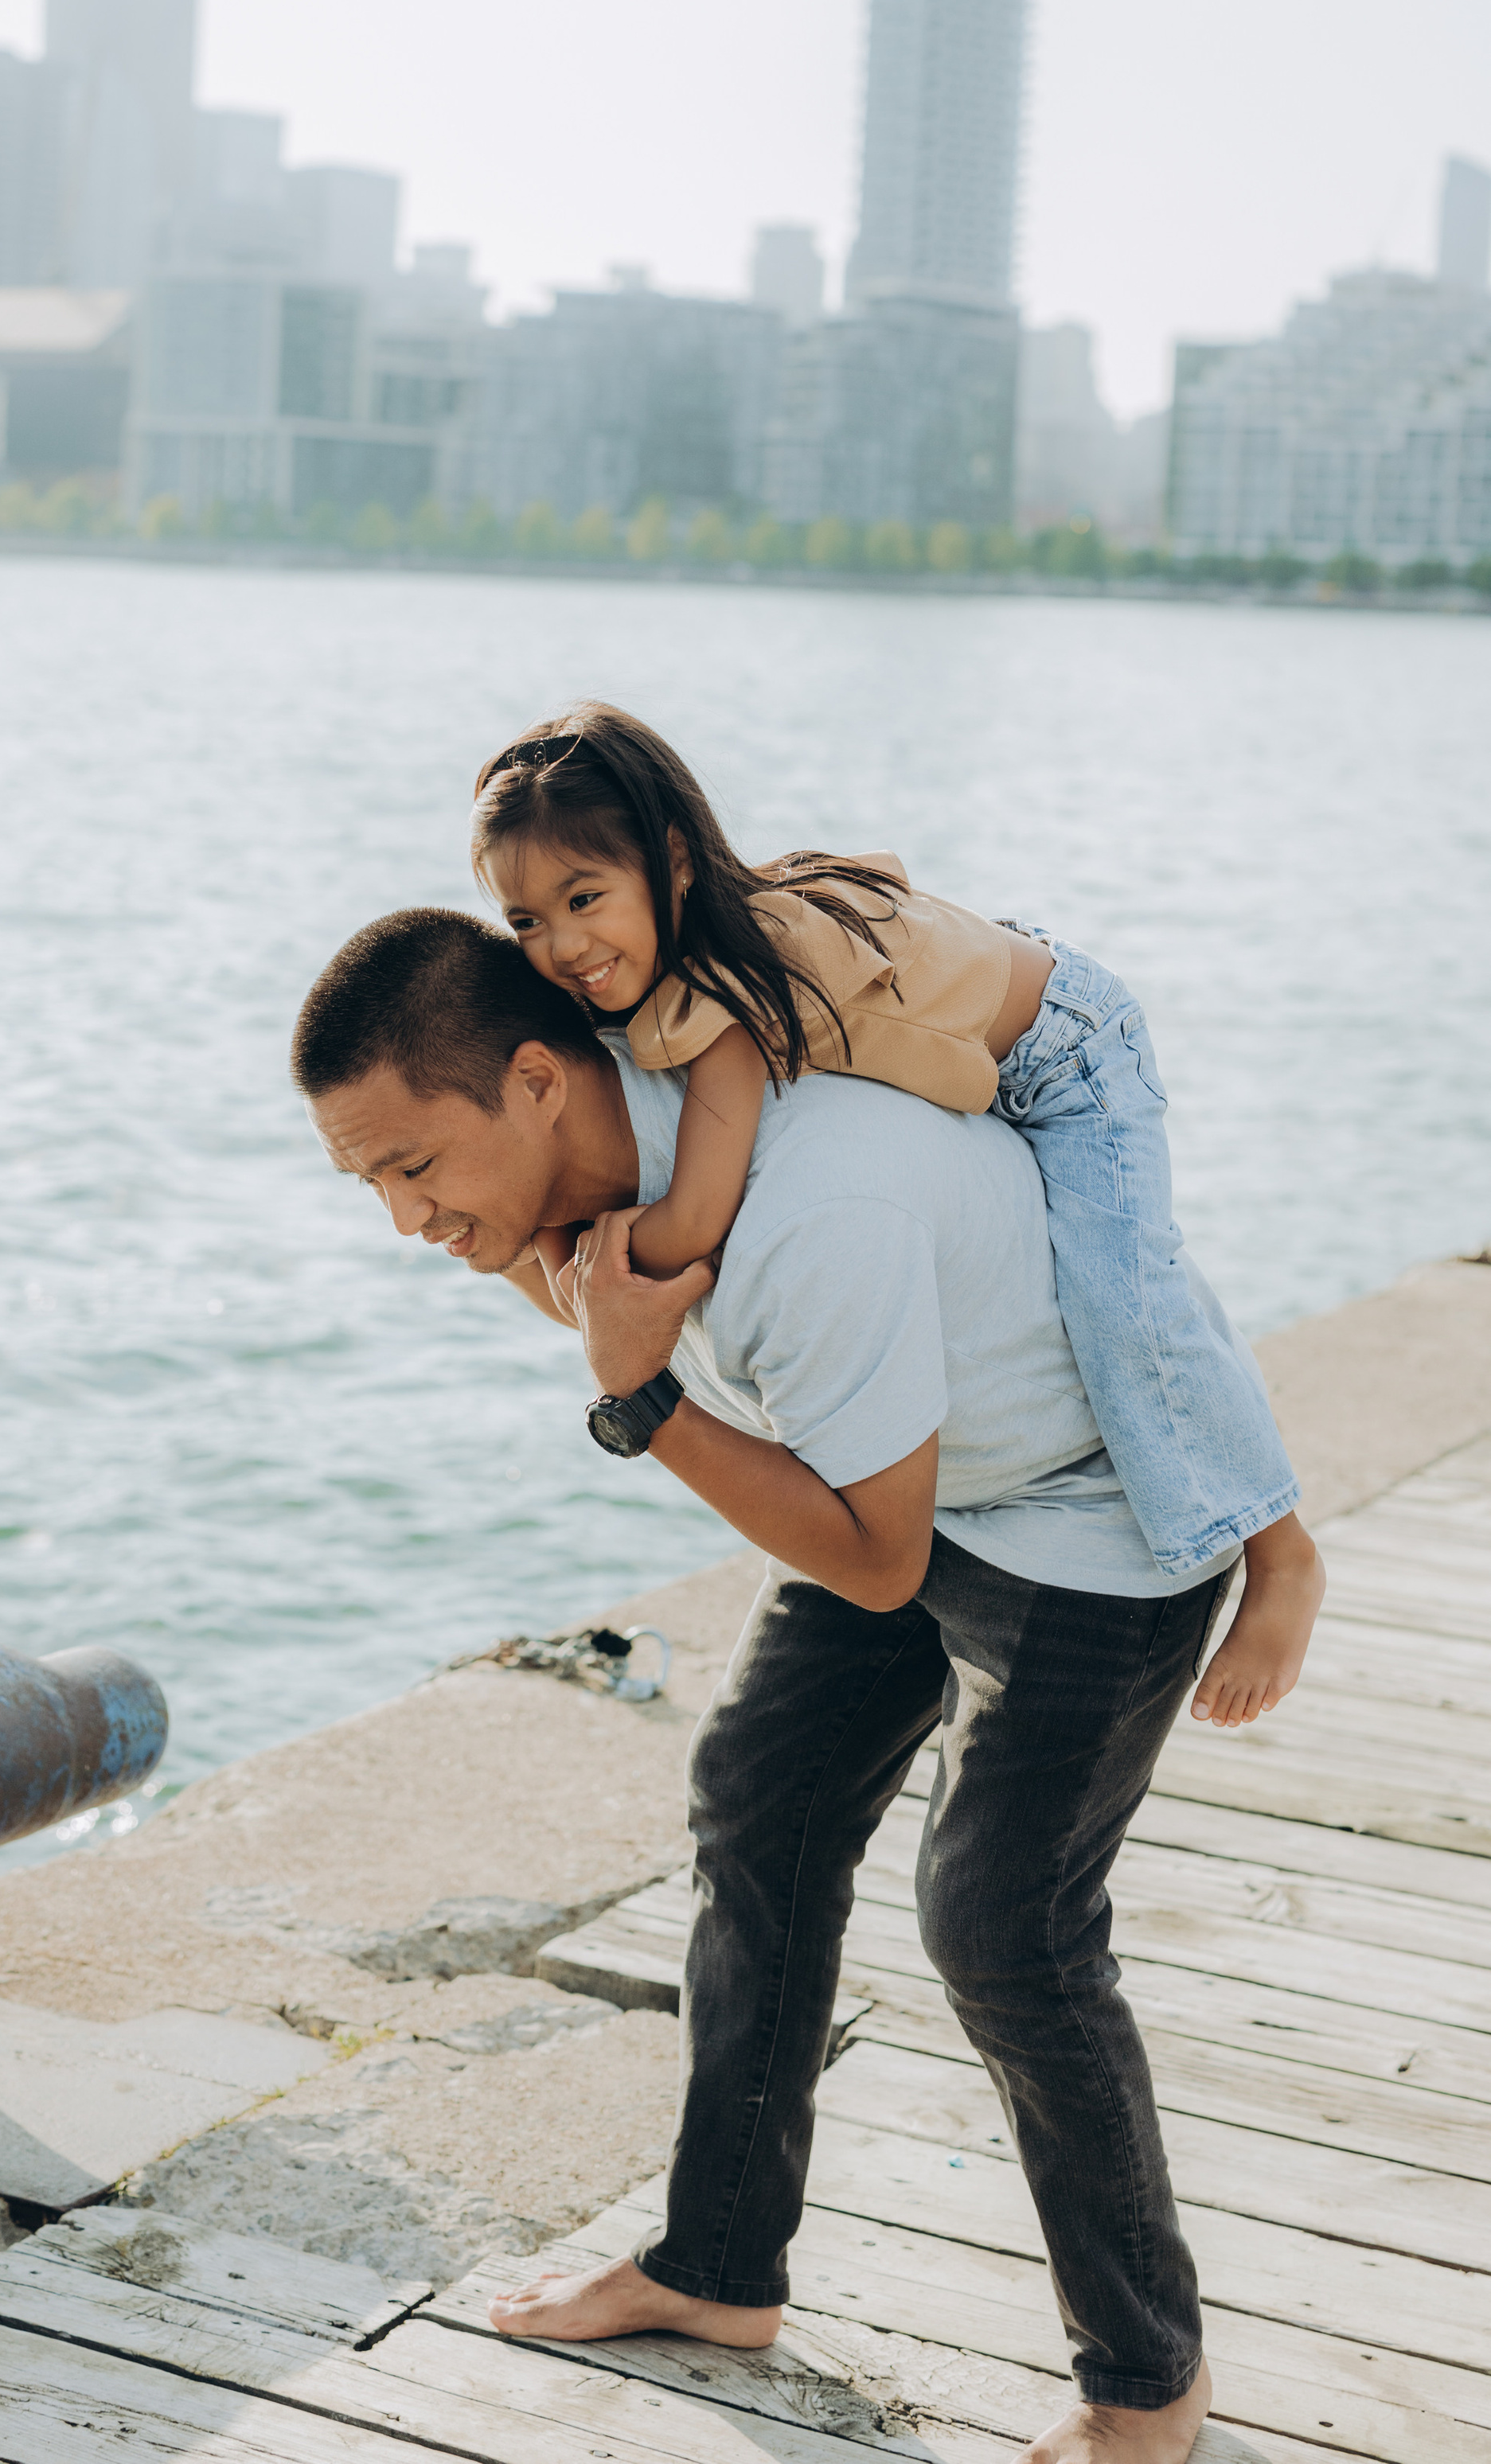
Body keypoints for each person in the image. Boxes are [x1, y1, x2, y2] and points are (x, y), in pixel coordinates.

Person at [292, 905, 1285, 2463]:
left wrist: (635, 1393)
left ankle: (1145, 2390)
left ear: (540, 1085)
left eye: (414, 1170)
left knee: (1000, 1928)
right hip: (920, 1470)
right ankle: (716, 2270)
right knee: (757, 1801)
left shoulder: (808, 1212)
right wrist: (554, 1290)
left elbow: (872, 1563)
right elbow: (850, 1510)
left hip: (1088, 1515)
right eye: (371, 1185)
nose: (403, 1219)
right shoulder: (598, 1156)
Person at [468, 704, 1321, 1731]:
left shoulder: (732, 988)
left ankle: (1281, 1555)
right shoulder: (660, 969)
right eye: (525, 921)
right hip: (979, 1048)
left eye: (584, 897)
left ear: (674, 863)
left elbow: (694, 1219)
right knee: (1082, 1277)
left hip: (1067, 1055)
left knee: (1123, 1294)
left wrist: (592, 1268)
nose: (561, 945)